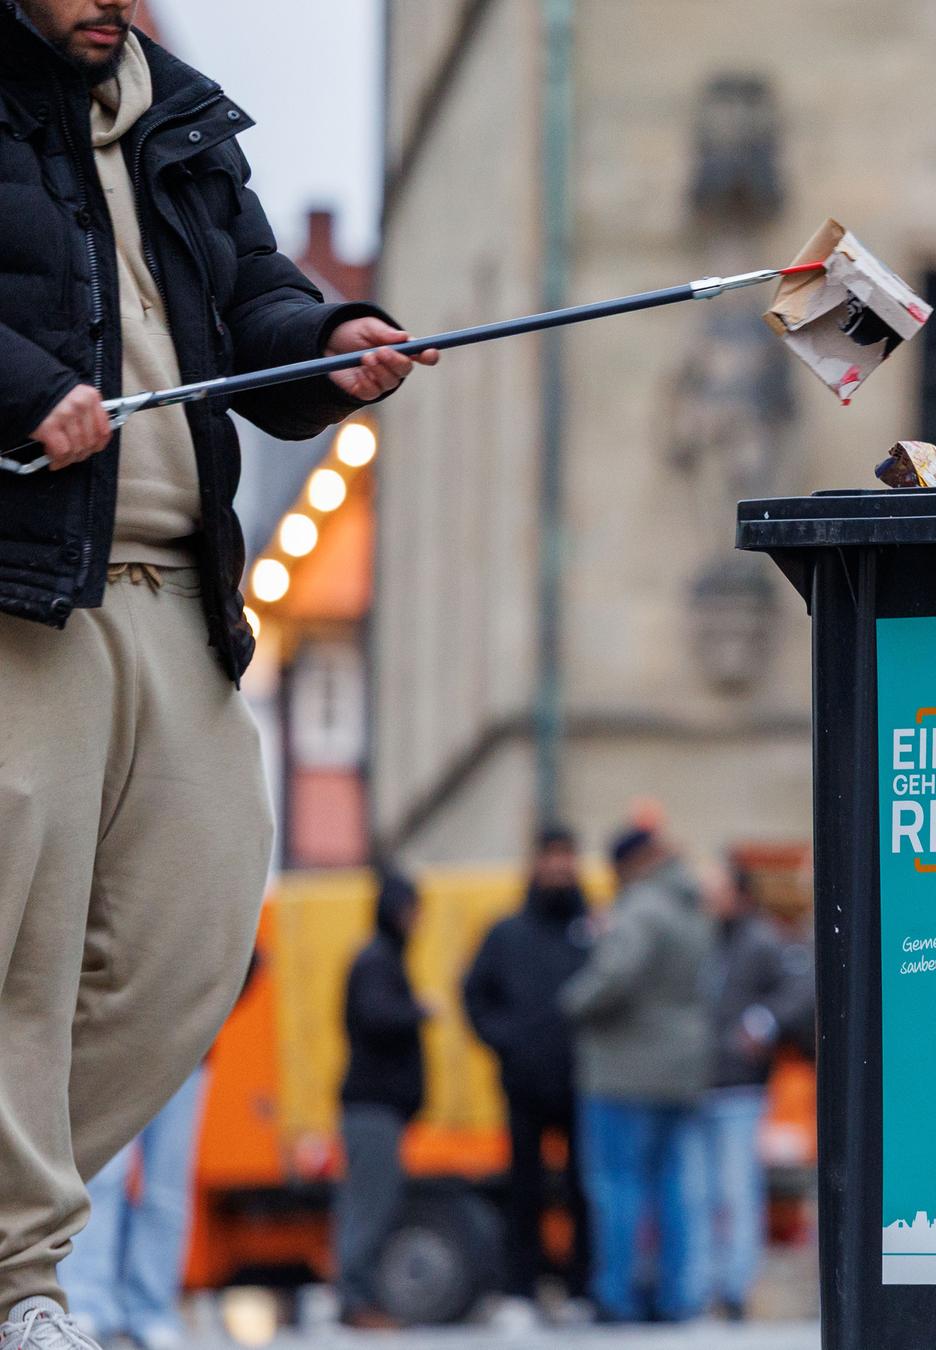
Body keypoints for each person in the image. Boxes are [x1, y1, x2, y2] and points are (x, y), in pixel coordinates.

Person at [0, 4, 434, 1346]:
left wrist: (334, 342)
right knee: (21, 947)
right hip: (28, 587)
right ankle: (21, 1280)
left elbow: (254, 301)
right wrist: (19, 389)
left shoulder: (179, 115)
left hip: (177, 592)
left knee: (195, 934)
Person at [560, 828, 711, 1325]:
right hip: (680, 1070)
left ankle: (618, 1296)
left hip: (625, 1069)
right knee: (671, 1186)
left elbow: (615, 974)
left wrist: (572, 1001)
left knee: (617, 1185)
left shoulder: (641, 908)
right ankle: (675, 1296)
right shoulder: (691, 908)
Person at [463, 826, 596, 1311]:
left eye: (566, 856)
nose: (559, 866)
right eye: (551, 856)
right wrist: (508, 1043)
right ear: (536, 863)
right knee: (523, 1191)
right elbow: (474, 995)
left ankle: (582, 1290)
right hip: (524, 1085)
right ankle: (521, 1291)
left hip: (584, 1084)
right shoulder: (507, 934)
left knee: (586, 1191)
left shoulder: (594, 930)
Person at [693, 862, 813, 1320]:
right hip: (698, 1083)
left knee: (735, 1188)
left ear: (739, 893)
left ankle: (736, 1287)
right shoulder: (706, 938)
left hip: (740, 1084)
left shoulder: (762, 939)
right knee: (703, 1192)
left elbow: (801, 987)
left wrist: (764, 1021)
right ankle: (707, 1284)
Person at [334, 872, 429, 1329]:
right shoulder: (376, 961)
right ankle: (357, 1301)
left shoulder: (382, 958)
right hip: (372, 1108)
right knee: (370, 1206)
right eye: (411, 909)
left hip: (378, 1110)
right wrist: (417, 1010)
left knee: (372, 1203)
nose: (417, 920)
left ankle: (360, 1298)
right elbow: (375, 1016)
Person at [56, 1069, 206, 1350]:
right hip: (114, 1045)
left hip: (187, 1053)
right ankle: (86, 1304)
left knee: (165, 1186)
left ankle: (152, 1311)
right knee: (102, 1173)